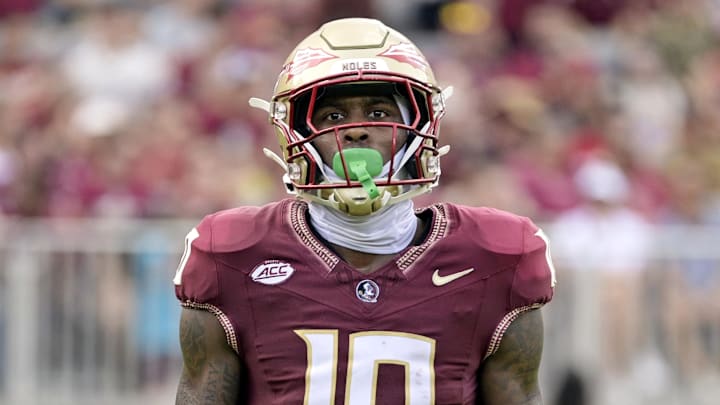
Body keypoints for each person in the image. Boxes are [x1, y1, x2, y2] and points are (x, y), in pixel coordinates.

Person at [173, 17, 556, 404]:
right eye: (333, 116)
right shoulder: (232, 256)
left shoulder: (494, 258)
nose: (356, 131)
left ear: (417, 126)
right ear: (297, 134)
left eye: (378, 112)